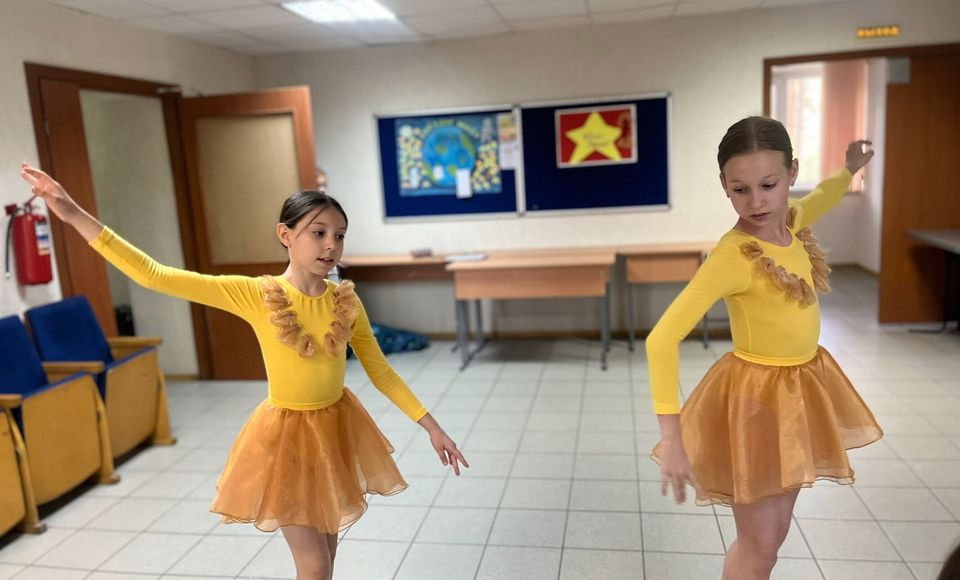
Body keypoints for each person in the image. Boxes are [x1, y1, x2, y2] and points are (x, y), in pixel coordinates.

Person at [20, 164, 467, 580]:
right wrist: (72, 213)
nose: (331, 245)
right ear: (285, 235)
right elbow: (154, 275)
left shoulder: (345, 302)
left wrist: (431, 426)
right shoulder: (256, 295)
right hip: (288, 441)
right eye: (318, 233)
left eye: (339, 235)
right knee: (314, 566)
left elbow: (380, 370)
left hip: (335, 433)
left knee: (327, 561)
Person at [645, 117, 882, 580]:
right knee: (759, 545)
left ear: (791, 173)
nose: (756, 202)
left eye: (768, 185)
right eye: (740, 190)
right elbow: (661, 339)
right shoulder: (733, 255)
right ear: (724, 186)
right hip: (755, 402)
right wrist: (672, 439)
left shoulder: (791, 220)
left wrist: (848, 169)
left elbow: (820, 198)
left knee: (773, 536)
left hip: (799, 390)